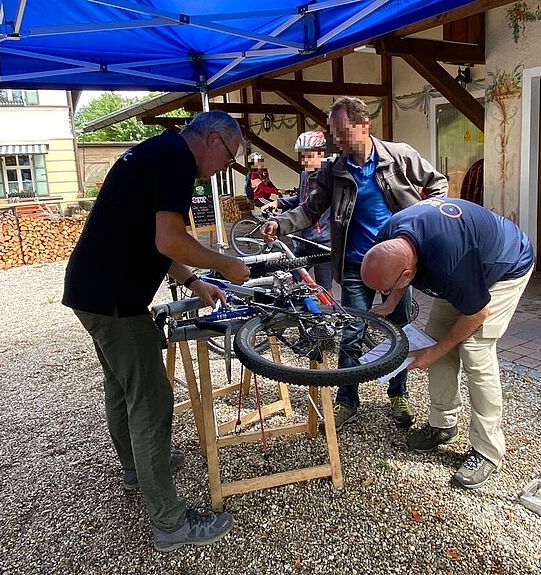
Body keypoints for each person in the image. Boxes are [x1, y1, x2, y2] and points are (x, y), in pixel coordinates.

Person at [62, 111, 251, 551]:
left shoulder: (159, 152)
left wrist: (195, 281)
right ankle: (171, 522)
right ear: (214, 139)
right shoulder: (177, 161)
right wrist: (225, 264)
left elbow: (153, 240)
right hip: (115, 302)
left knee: (121, 385)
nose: (222, 169)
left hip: (91, 292)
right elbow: (170, 239)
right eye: (228, 158)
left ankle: (136, 467)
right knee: (151, 399)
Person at [261, 96, 448, 430]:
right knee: (352, 333)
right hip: (354, 267)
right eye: (333, 133)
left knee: (399, 332)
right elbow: (310, 210)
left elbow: (439, 185)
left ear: (364, 125)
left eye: (342, 131)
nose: (337, 140)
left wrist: (422, 224)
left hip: (396, 268)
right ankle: (347, 400)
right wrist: (281, 223)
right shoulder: (334, 169)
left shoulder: (399, 156)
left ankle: (398, 394)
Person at [360, 197, 535, 490]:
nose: (386, 292)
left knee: (474, 351)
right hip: (461, 267)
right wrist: (390, 303)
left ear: (407, 274)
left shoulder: (450, 261)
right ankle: (443, 425)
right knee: (436, 342)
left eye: (388, 289)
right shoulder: (388, 236)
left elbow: (477, 312)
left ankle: (487, 450)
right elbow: (399, 272)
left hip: (505, 266)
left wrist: (434, 352)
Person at [262, 131, 332, 291]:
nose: (305, 160)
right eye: (302, 156)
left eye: (309, 156)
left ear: (321, 154)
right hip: (304, 240)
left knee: (324, 289)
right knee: (288, 277)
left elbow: (313, 206)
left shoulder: (329, 177)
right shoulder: (305, 174)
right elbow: (301, 199)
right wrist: (278, 202)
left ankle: (329, 307)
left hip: (323, 243)